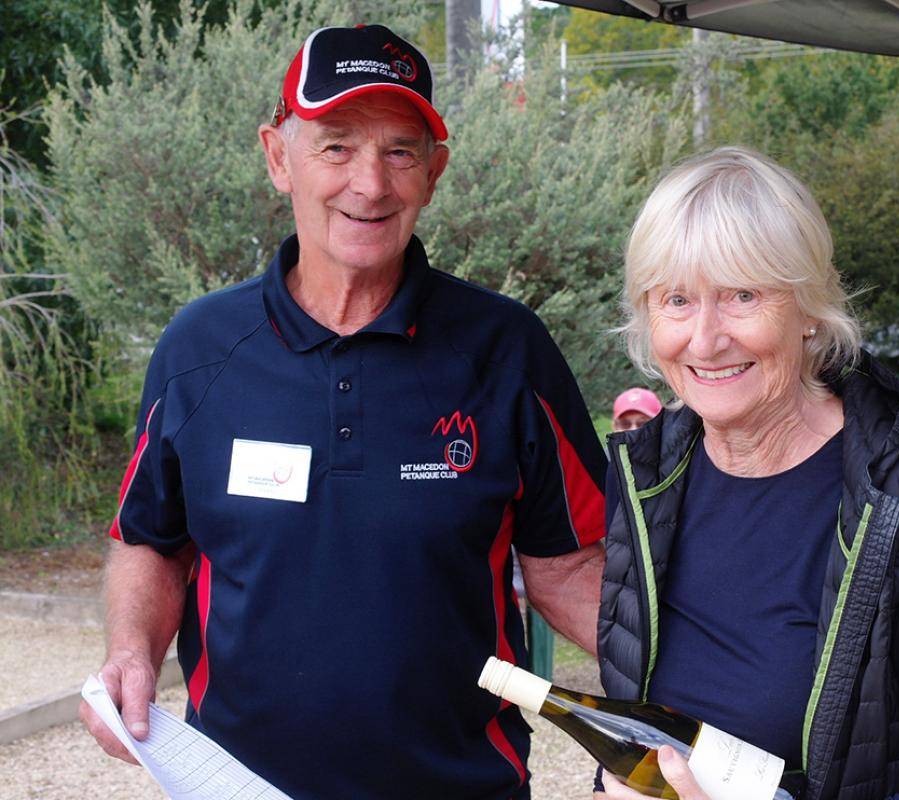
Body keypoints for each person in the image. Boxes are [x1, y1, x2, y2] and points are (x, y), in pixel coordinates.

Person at [79, 24, 606, 800]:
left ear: (434, 173)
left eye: (400, 151)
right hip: (237, 789)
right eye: (336, 146)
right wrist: (130, 650)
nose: (370, 183)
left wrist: (711, 692)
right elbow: (150, 541)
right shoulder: (200, 347)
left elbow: (571, 568)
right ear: (277, 158)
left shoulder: (507, 349)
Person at [594, 147, 899, 800]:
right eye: (677, 299)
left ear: (809, 310)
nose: (704, 340)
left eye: (742, 295)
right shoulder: (644, 477)